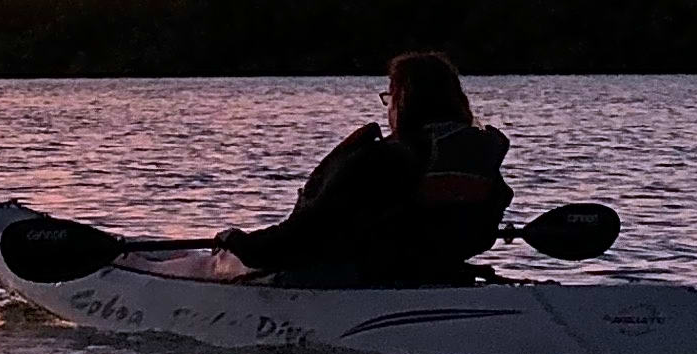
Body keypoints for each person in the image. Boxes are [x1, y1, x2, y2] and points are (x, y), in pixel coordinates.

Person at [213, 51, 514, 283]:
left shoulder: (381, 160)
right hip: (439, 276)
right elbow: (482, 235)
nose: (389, 108)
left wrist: (239, 242)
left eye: (390, 97)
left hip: (365, 283)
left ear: (403, 100)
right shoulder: (476, 159)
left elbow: (303, 236)